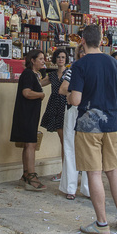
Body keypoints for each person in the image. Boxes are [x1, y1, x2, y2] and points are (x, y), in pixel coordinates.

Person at [68, 24, 117, 234]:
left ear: (82, 41)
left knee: (94, 173)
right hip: (112, 123)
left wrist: (69, 96)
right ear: (102, 40)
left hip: (88, 126)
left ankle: (102, 223)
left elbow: (75, 99)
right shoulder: (114, 63)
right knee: (113, 170)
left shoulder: (80, 65)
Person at [11, 49, 49, 191]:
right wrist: (40, 95)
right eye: (40, 59)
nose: (43, 61)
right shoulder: (28, 74)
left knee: (28, 144)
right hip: (26, 114)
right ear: (32, 60)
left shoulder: (35, 74)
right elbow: (26, 92)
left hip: (30, 114)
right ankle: (31, 177)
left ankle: (26, 174)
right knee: (31, 144)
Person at [58, 43, 91, 201]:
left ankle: (88, 188)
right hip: (74, 110)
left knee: (88, 150)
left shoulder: (94, 69)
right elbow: (62, 89)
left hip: (89, 111)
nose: (84, 54)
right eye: (82, 52)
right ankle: (70, 187)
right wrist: (76, 93)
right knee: (70, 147)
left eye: (86, 52)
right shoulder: (73, 69)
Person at [40, 48, 70, 181]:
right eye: (58, 57)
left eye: (63, 57)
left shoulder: (70, 73)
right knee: (63, 139)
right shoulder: (52, 75)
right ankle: (65, 171)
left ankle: (66, 171)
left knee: (65, 141)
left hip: (66, 106)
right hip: (55, 106)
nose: (61, 59)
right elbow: (39, 83)